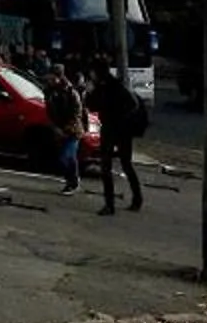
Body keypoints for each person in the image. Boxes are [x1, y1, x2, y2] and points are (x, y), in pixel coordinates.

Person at [87, 63, 145, 214]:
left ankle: (113, 204)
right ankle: (131, 200)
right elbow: (92, 106)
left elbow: (92, 105)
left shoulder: (110, 87)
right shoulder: (108, 86)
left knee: (111, 166)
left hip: (115, 130)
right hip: (116, 130)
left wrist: (118, 118)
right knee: (121, 165)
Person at [43, 64, 87, 193]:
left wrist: (66, 128)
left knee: (66, 156)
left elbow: (77, 113)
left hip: (72, 130)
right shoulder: (50, 92)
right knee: (70, 157)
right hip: (59, 129)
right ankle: (72, 181)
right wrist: (55, 127)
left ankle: (72, 181)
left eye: (52, 78)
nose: (49, 81)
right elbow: (49, 113)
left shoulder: (71, 92)